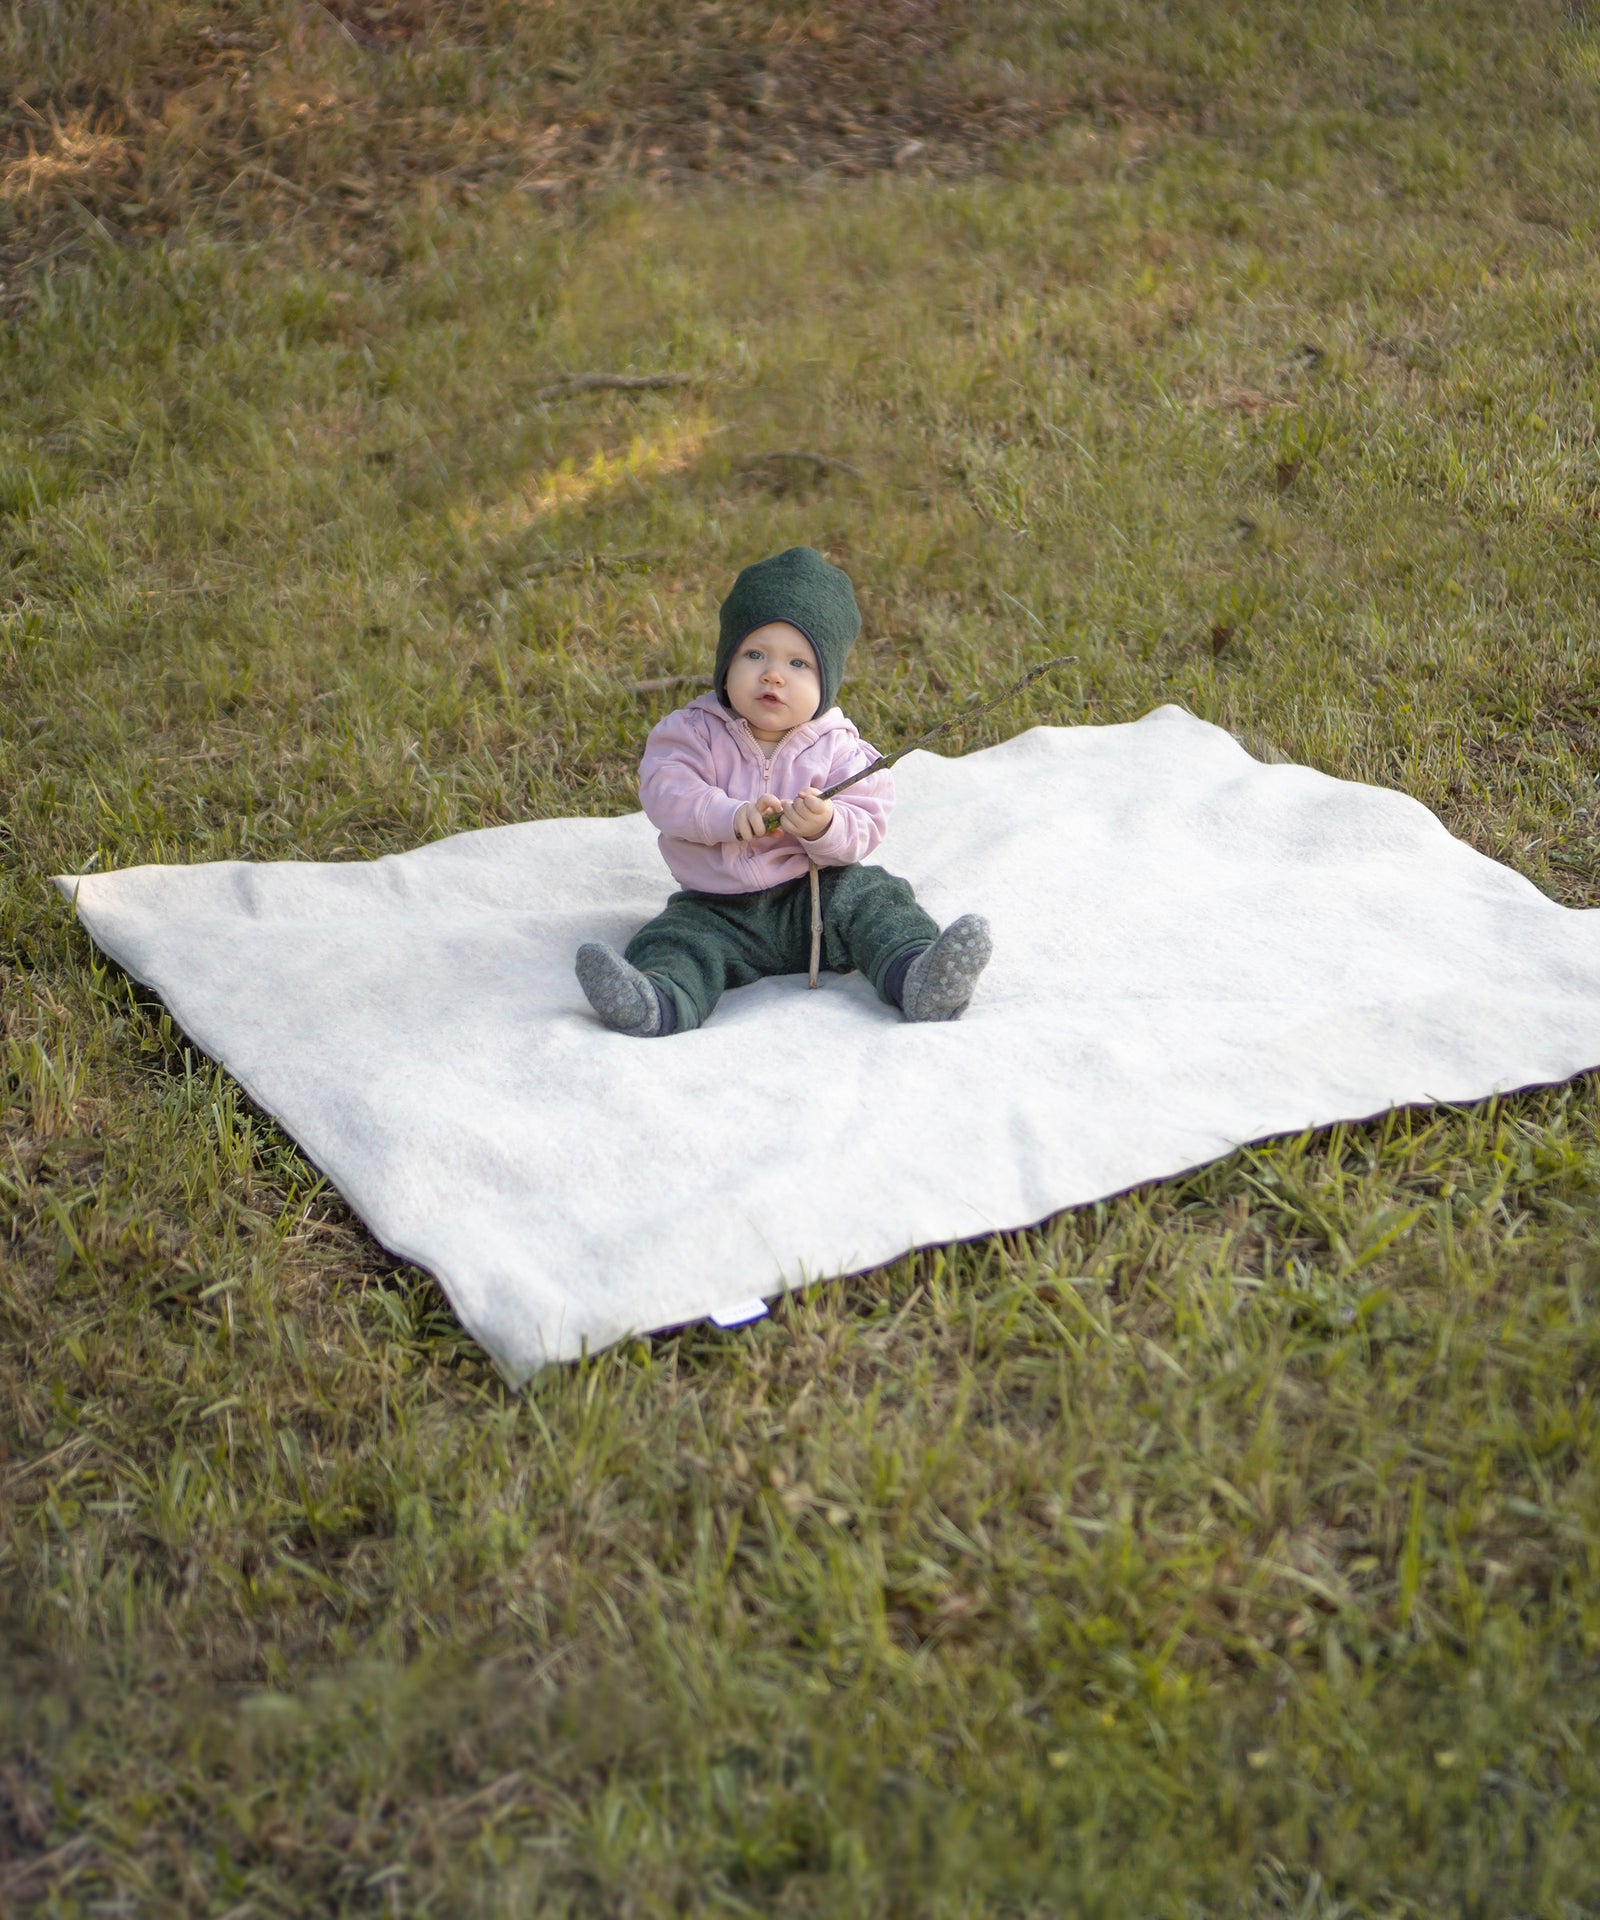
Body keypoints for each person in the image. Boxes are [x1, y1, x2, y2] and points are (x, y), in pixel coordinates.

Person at [574, 545, 991, 1036]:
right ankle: (658, 1000)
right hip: (717, 905)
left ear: (826, 683)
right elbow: (666, 789)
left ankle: (917, 976)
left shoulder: (841, 748)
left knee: (877, 898)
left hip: (814, 897)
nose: (773, 674)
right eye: (754, 654)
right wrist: (725, 814)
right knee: (675, 939)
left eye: (799, 663)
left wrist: (827, 826)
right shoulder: (693, 732)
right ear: (726, 665)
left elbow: (868, 818)